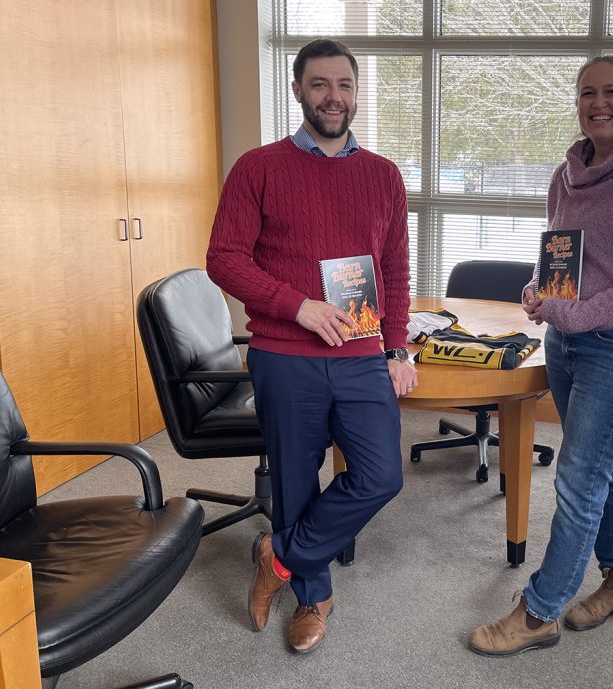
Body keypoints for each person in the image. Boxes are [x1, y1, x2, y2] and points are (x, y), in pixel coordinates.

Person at [468, 55, 613, 656]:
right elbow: (562, 251)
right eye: (587, 92)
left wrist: (575, 313)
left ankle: (540, 611)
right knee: (603, 468)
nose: (598, 103)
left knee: (577, 478)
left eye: (611, 92)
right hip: (567, 343)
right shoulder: (567, 173)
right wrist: (540, 288)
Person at [206, 38, 416, 655]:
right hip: (284, 353)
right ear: (297, 90)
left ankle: (281, 558)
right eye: (320, 84)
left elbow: (396, 269)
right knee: (296, 480)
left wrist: (398, 348)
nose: (334, 97)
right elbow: (224, 260)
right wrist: (297, 305)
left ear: (356, 93)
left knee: (381, 476)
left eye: (344, 85)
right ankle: (312, 596)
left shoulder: (383, 175)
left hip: (360, 354)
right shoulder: (258, 167)